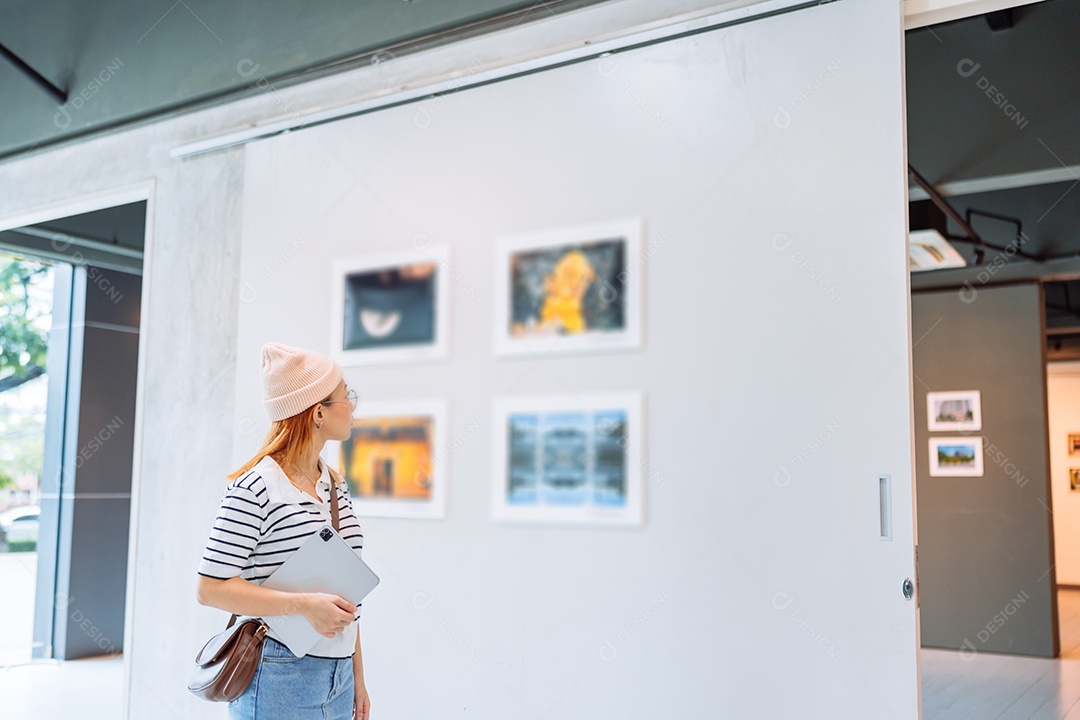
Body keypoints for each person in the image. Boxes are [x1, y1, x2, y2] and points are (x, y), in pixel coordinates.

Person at [196, 342, 371, 720]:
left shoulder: (334, 486)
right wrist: (304, 605)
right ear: (318, 412)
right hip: (278, 675)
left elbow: (346, 592)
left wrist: (357, 677)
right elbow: (210, 589)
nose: (353, 406)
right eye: (347, 396)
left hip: (338, 678)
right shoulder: (255, 486)